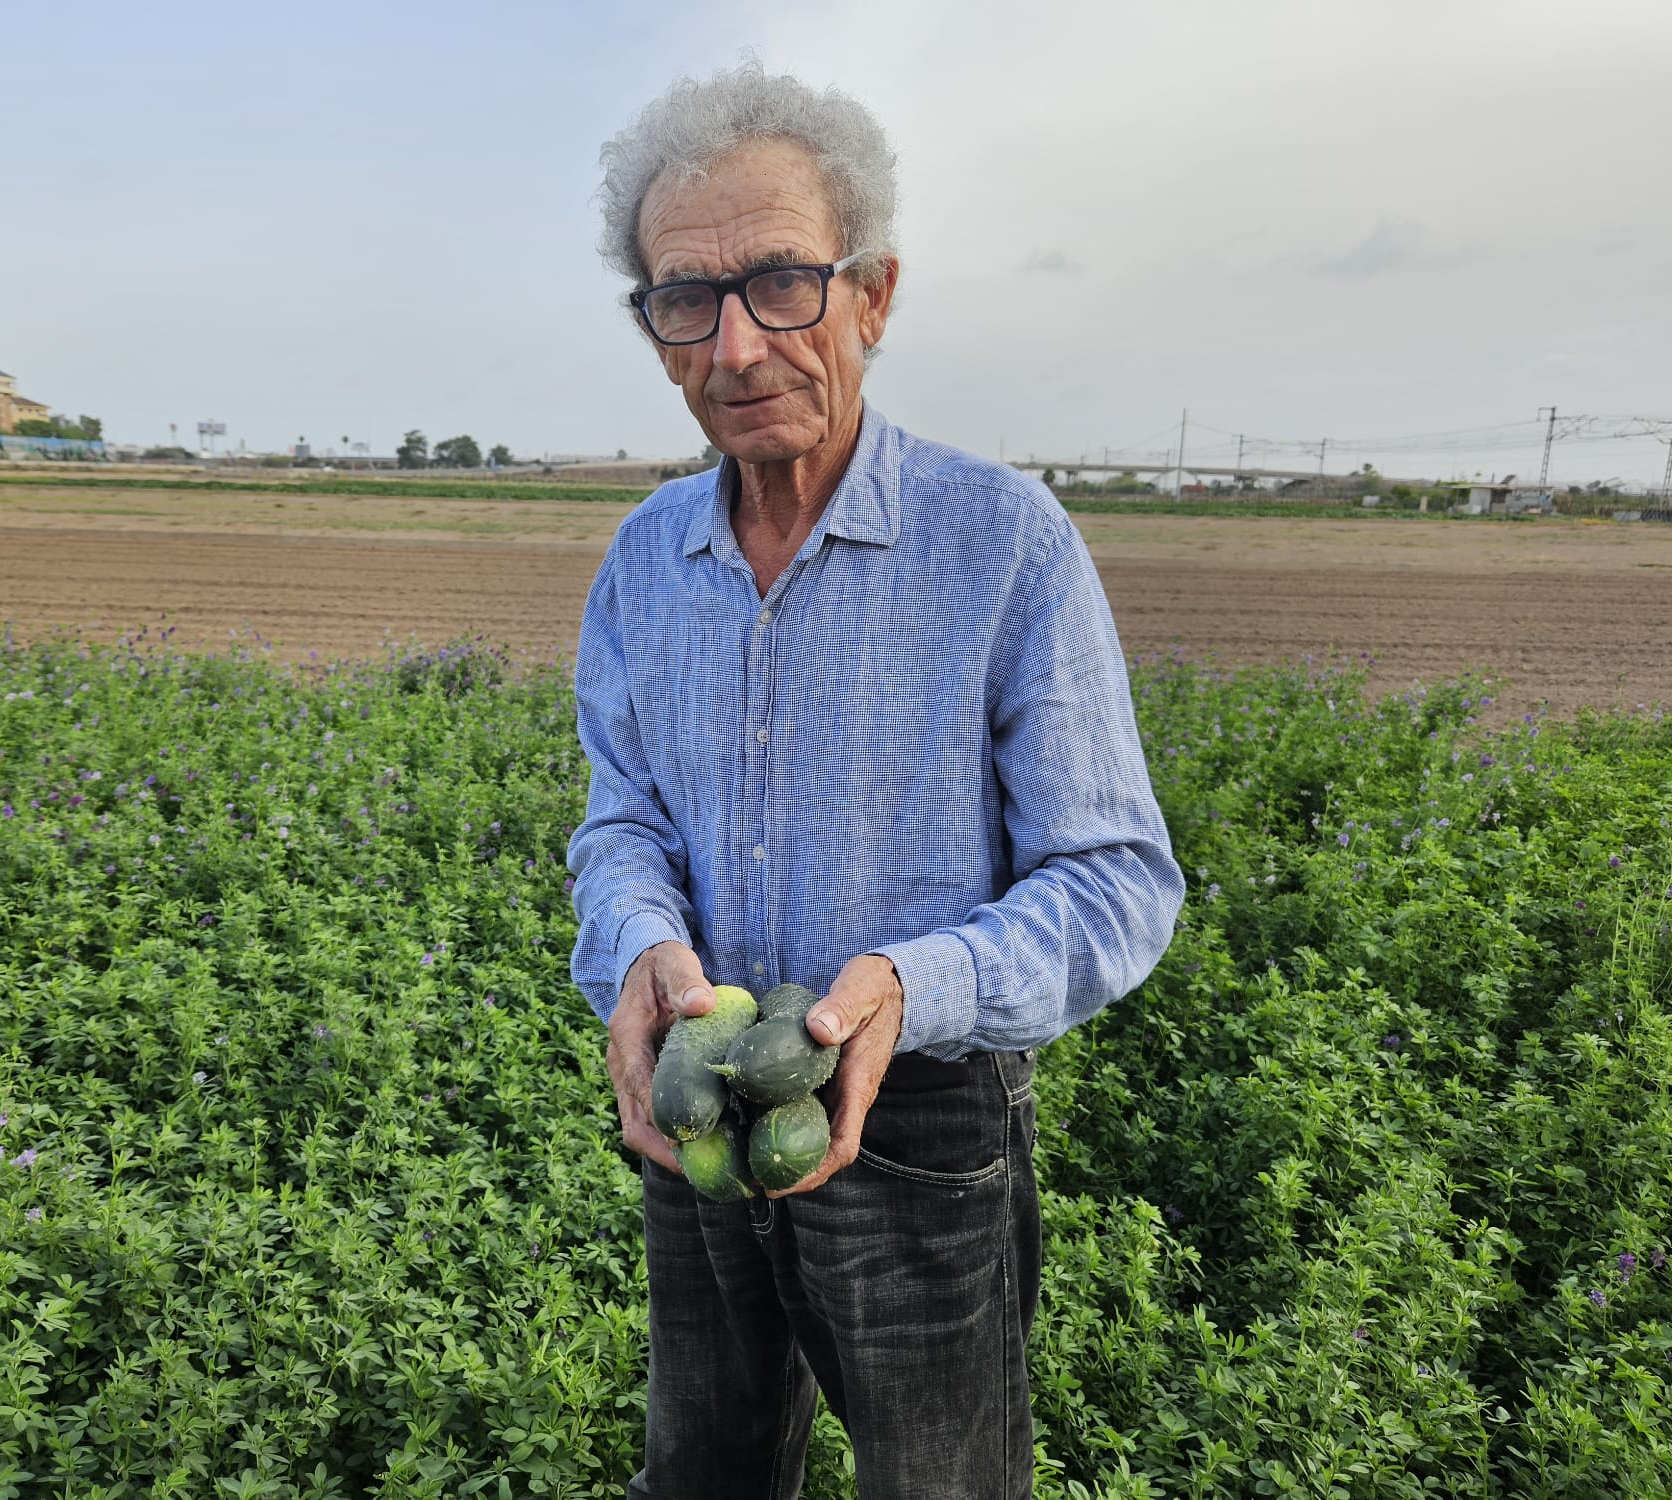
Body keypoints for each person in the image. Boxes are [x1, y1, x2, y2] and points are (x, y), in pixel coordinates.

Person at [568, 65, 1184, 1500]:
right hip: (708, 1088)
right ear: (652, 324)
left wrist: (910, 988)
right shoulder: (641, 562)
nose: (734, 345)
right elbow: (624, 823)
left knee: (940, 1479)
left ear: (875, 297)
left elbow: (1116, 885)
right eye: (685, 296)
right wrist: (643, 947)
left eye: (783, 281)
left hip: (923, 1123)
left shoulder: (1003, 543)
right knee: (702, 1469)